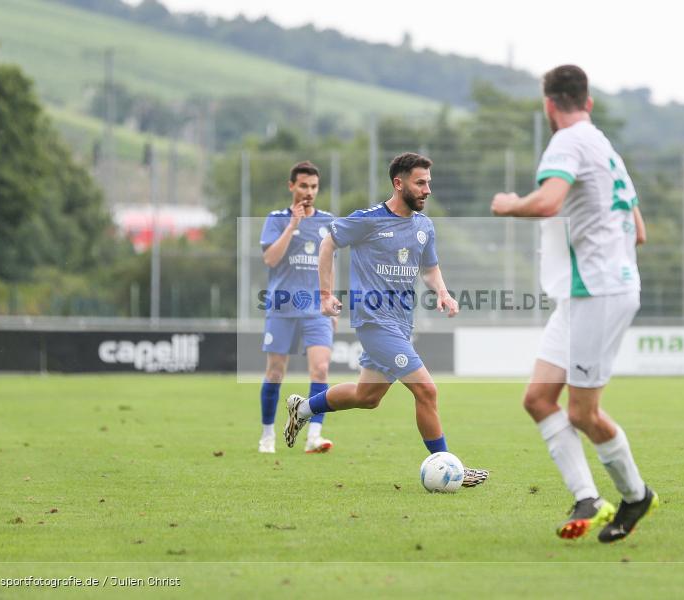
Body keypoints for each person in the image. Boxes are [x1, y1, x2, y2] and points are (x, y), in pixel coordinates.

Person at [490, 65, 655, 542]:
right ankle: (588, 497)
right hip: (585, 291)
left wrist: (508, 204)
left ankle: (636, 495)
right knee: (539, 399)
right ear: (589, 102)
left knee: (583, 412)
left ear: (548, 104)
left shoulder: (567, 142)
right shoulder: (604, 146)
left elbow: (548, 202)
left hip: (599, 292)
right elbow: (639, 231)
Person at [282, 152, 488, 488]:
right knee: (427, 391)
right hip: (374, 322)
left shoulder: (424, 226)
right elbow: (328, 242)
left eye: (428, 183)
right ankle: (452, 469)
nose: (427, 190)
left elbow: (429, 268)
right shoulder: (368, 220)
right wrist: (325, 294)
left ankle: (303, 409)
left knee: (367, 396)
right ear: (398, 183)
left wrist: (443, 292)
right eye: (420, 183)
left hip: (402, 324)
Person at [258, 161, 335, 454]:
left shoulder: (327, 221)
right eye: (303, 186)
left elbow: (329, 265)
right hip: (282, 307)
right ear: (291, 186)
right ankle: (267, 435)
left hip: (315, 309)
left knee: (321, 369)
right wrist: (292, 226)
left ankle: (314, 435)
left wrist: (329, 299)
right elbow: (270, 259)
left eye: (314, 186)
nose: (309, 192)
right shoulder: (276, 219)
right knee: (275, 372)